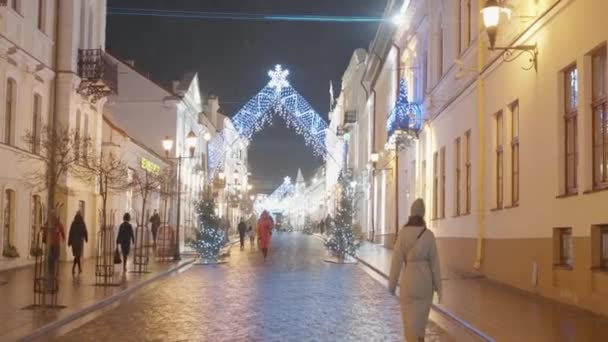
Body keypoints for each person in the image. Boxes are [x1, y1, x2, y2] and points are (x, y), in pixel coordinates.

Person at [388, 199, 442, 342]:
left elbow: (396, 262)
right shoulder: (429, 235)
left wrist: (392, 285)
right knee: (420, 326)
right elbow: (435, 264)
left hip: (408, 283)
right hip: (425, 285)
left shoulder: (403, 234)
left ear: (411, 213)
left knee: (409, 324)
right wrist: (439, 288)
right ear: (423, 214)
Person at [44, 210, 65, 279]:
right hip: (55, 243)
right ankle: (55, 271)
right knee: (55, 257)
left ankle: (51, 270)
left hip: (50, 243)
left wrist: (44, 239)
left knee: (51, 257)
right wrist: (63, 237)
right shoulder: (57, 222)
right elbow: (62, 230)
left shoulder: (49, 222)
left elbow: (45, 230)